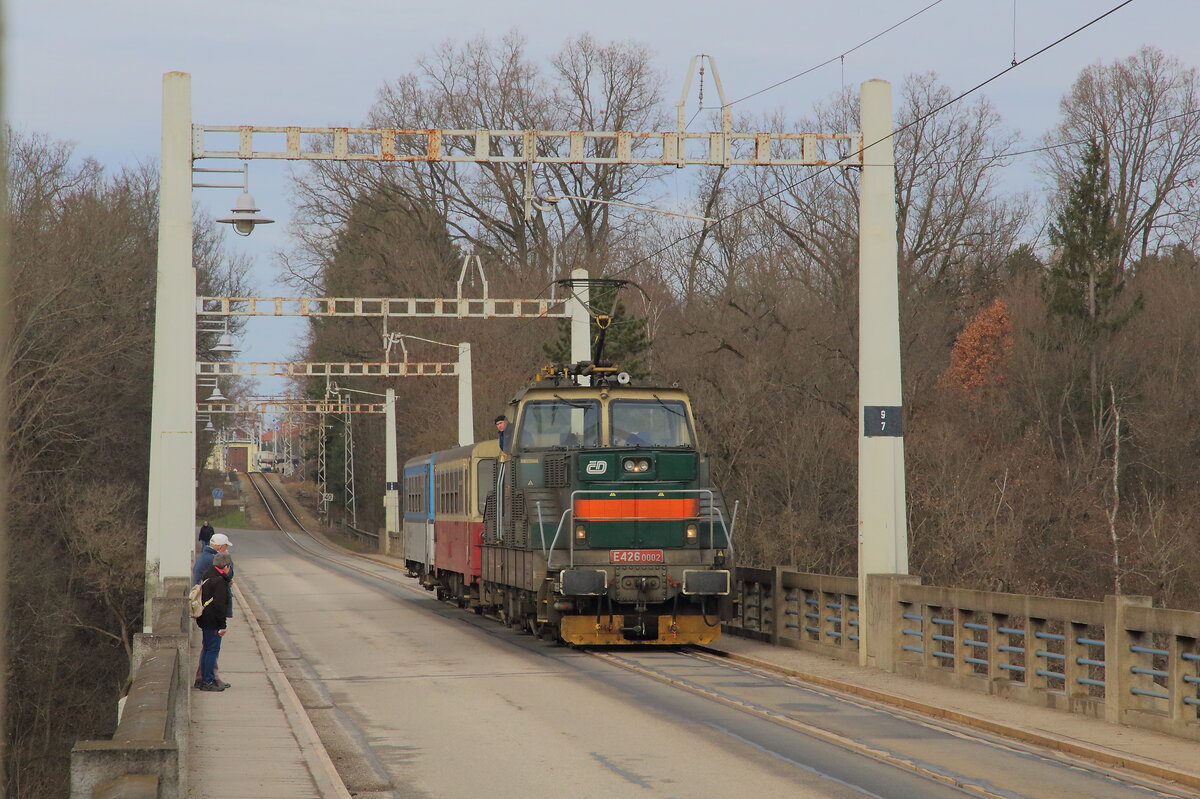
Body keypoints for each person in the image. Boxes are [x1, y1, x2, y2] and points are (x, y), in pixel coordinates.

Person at [193, 532, 234, 688]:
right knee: (212, 649)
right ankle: (208, 680)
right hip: (212, 619)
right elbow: (219, 605)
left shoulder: (210, 574)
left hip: (205, 617)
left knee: (208, 648)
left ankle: (204, 679)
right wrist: (222, 626)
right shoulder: (219, 581)